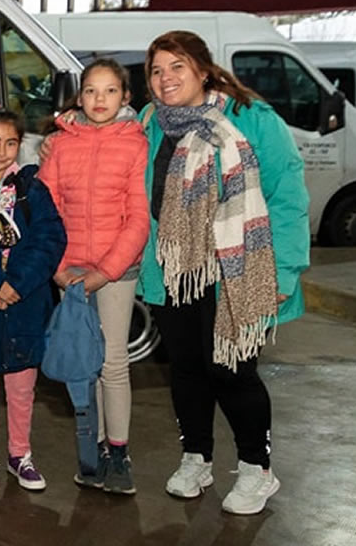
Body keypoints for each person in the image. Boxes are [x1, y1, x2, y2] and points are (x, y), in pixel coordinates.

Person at [141, 31, 309, 515]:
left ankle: (258, 468)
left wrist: (283, 271)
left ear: (203, 69)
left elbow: (289, 196)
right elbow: (102, 131)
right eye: (156, 70)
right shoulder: (153, 123)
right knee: (187, 372)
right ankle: (196, 456)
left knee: (231, 371)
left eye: (176, 66)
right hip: (175, 273)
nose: (165, 78)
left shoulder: (250, 119)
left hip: (237, 270)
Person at [39, 59, 149, 494]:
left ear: (125, 97)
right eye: (90, 90)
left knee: (113, 364)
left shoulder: (136, 145)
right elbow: (46, 210)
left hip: (115, 272)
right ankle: (95, 448)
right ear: (79, 95)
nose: (99, 100)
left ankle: (120, 454)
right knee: (82, 364)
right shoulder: (63, 144)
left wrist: (104, 272)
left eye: (109, 91)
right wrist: (59, 268)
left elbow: (139, 218)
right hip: (70, 273)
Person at [0, 109, 65, 493]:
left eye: (10, 143)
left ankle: (20, 454)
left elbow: (49, 239)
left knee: (22, 387)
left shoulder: (31, 188)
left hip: (25, 303)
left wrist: (17, 285)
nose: (1, 151)